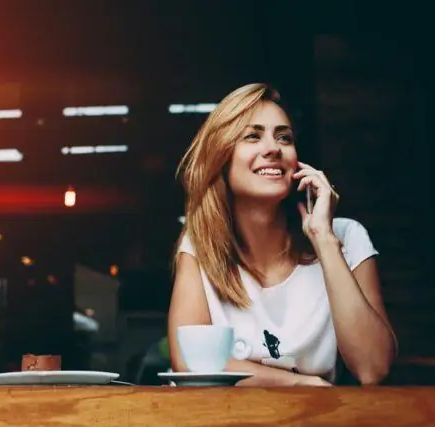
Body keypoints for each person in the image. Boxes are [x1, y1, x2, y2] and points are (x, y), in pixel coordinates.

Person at [168, 83, 397, 386]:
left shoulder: (347, 237)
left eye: (284, 137)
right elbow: (189, 360)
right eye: (252, 136)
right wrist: (301, 384)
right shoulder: (200, 245)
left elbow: (373, 368)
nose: (273, 148)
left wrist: (324, 239)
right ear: (222, 157)